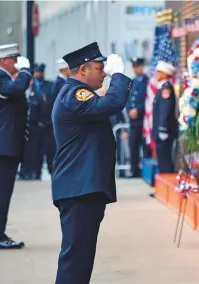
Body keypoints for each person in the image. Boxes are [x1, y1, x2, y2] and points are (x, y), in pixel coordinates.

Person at [51, 42, 132, 284]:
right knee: (75, 259)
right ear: (84, 70)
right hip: (79, 188)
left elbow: (105, 105)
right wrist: (119, 75)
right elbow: (112, 104)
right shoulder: (75, 94)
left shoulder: (76, 94)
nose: (104, 72)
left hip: (82, 187)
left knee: (81, 258)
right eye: (100, 67)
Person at [0, 43, 32, 249]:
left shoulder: (5, 79)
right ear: (4, 60)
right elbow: (17, 87)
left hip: (5, 147)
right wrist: (25, 71)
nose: (17, 61)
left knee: (2, 193)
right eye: (14, 58)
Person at [152, 60, 177, 174]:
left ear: (165, 74)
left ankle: (166, 189)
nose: (156, 74)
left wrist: (163, 128)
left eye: (159, 72)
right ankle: (162, 187)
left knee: (165, 161)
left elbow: (165, 110)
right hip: (160, 131)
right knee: (162, 161)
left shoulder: (166, 88)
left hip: (164, 132)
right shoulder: (162, 88)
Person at [127, 57, 150, 177]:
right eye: (134, 67)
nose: (136, 69)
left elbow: (148, 99)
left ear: (142, 67)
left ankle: (146, 171)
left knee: (145, 147)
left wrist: (138, 110)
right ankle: (133, 170)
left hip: (143, 120)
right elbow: (127, 99)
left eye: (138, 66)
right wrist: (129, 110)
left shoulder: (147, 81)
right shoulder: (131, 82)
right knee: (133, 146)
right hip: (133, 121)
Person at [19, 77, 41, 180]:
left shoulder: (37, 93)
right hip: (21, 127)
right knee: (22, 151)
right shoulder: (19, 93)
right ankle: (22, 172)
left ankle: (32, 172)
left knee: (33, 150)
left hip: (33, 126)